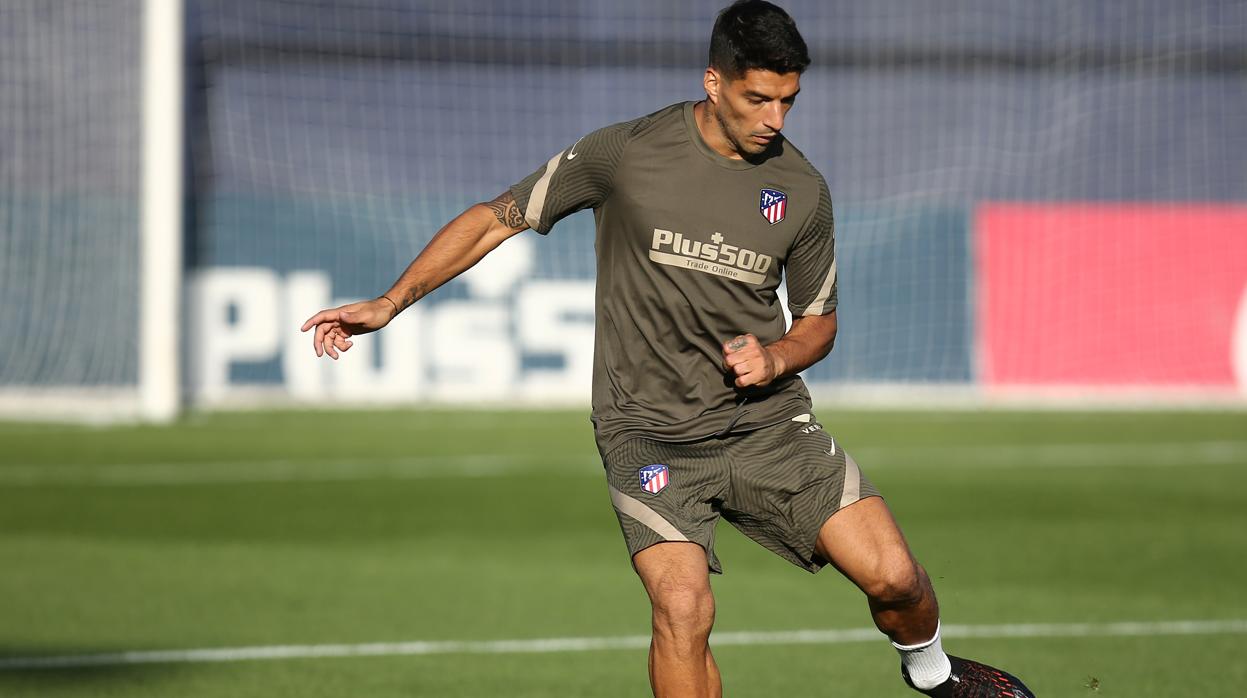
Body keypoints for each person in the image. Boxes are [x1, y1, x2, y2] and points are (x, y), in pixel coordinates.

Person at [301, 2, 1035, 696]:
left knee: (897, 580)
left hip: (766, 427)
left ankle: (935, 676)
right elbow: (497, 217)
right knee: (682, 609)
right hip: (646, 433)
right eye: (756, 99)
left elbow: (817, 321)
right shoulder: (624, 153)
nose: (772, 119)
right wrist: (391, 302)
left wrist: (777, 357)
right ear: (712, 82)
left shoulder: (800, 188)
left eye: (787, 101)